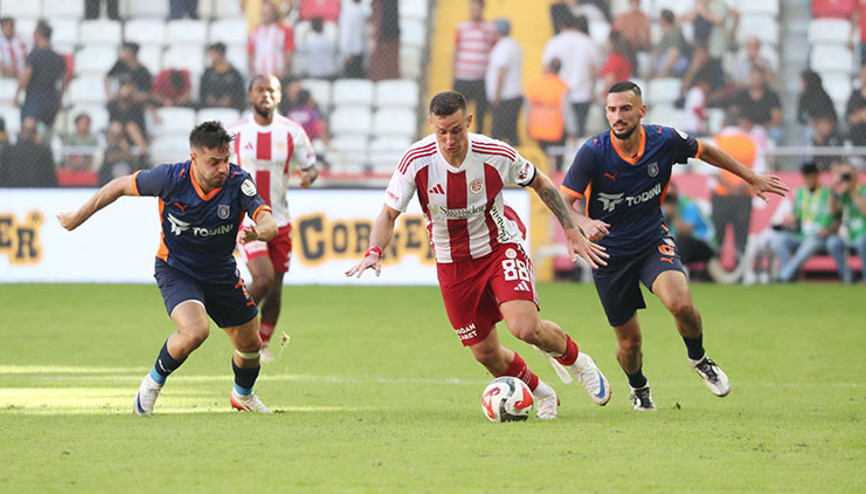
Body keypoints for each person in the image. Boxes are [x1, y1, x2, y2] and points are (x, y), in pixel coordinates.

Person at [346, 91, 613, 419]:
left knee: (524, 328)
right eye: (441, 132)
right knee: (486, 354)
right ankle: (542, 393)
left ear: (468, 122)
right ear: (431, 125)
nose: (449, 140)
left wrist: (571, 229)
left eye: (456, 130)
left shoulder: (494, 153)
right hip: (452, 264)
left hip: (499, 248)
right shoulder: (415, 160)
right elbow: (388, 215)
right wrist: (374, 251)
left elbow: (541, 182)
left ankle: (578, 361)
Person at [559, 81, 788, 410]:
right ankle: (639, 387)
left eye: (625, 109)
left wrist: (749, 176)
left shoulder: (663, 140)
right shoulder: (593, 152)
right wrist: (583, 222)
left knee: (681, 304)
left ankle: (700, 359)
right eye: (612, 110)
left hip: (652, 240)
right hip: (609, 254)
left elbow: (705, 151)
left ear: (642, 111)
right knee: (630, 344)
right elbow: (564, 202)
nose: (618, 116)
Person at [57, 121, 277, 415]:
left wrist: (258, 232)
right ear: (194, 158)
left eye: (226, 160)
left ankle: (243, 396)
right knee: (195, 331)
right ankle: (151, 385)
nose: (222, 168)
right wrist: (77, 217)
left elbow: (269, 223)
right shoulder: (170, 178)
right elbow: (120, 185)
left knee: (251, 345)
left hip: (221, 273)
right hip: (177, 269)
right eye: (214, 162)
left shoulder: (238, 182)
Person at [228, 75, 318, 362]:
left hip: (280, 220)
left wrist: (308, 177)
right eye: (260, 90)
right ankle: (234, 321)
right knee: (263, 279)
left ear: (279, 97)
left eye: (272, 90)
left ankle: (262, 344)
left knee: (276, 287)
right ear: (250, 95)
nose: (266, 95)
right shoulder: (235, 133)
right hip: (248, 221)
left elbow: (311, 168)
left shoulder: (293, 132)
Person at [770, 162, 843, 282]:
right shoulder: (800, 193)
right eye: (806, 177)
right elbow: (797, 215)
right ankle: (789, 272)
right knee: (778, 241)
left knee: (809, 245)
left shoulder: (828, 193)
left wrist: (829, 229)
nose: (809, 179)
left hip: (819, 237)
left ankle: (785, 276)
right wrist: (793, 218)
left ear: (817, 176)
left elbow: (837, 216)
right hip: (801, 234)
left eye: (811, 176)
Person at [542, 14, 601, 139]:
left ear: (562, 26)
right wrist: (592, 91)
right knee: (579, 133)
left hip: (558, 95)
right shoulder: (588, 42)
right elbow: (594, 71)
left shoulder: (554, 42)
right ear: (578, 25)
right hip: (582, 94)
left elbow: (546, 69)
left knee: (558, 135)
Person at [14, 21, 69, 129]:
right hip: (51, 101)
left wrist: (17, 94)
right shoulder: (58, 57)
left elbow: (26, 75)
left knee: (29, 130)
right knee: (46, 133)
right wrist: (60, 96)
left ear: (38, 35)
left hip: (34, 100)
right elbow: (65, 78)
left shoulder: (34, 55)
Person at [452, 0, 496, 134]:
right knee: (460, 112)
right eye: (472, 8)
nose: (474, 11)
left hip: (481, 78)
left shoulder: (490, 28)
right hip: (463, 76)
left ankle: (478, 141)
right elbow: (456, 51)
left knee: (481, 113)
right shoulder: (462, 27)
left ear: (482, 9)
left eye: (476, 8)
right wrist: (453, 74)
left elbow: (494, 50)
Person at [661, 181, 718, 271]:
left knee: (681, 239)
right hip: (683, 243)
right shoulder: (663, 207)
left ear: (676, 192)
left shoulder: (688, 204)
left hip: (705, 243)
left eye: (670, 196)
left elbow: (687, 231)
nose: (668, 200)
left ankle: (681, 269)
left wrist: (673, 215)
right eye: (666, 196)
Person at [526, 58, 568, 170]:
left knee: (542, 158)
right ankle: (556, 174)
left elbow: (527, 108)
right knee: (557, 157)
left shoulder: (534, 84)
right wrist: (573, 131)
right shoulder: (562, 86)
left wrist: (528, 127)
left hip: (537, 129)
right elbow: (566, 112)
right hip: (556, 132)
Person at [486, 18, 522, 146]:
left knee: (497, 134)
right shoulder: (513, 44)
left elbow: (502, 71)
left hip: (505, 97)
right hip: (512, 95)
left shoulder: (503, 47)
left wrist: (496, 94)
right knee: (511, 132)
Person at [828, 163, 866, 283]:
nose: (846, 178)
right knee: (832, 243)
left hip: (862, 234)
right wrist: (833, 187)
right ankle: (848, 277)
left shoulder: (863, 189)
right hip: (848, 235)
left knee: (861, 242)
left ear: (856, 175)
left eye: (848, 175)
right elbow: (832, 211)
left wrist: (853, 192)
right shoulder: (843, 194)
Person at [0, 120, 57, 188]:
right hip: (38, 193)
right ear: (36, 133)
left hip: (14, 193)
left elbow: (2, 176)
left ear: (21, 132)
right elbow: (51, 180)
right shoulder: (44, 152)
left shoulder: (8, 151)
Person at [248, 1, 295, 80]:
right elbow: (251, 54)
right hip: (260, 78)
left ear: (274, 12)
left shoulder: (284, 31)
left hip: (278, 77)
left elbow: (289, 52)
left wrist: (284, 72)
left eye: (267, 12)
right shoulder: (255, 32)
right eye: (263, 12)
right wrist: (253, 73)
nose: (265, 15)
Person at [108, 77, 150, 155]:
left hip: (134, 134)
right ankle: (112, 153)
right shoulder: (113, 105)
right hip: (119, 134)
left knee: (131, 126)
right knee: (115, 126)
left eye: (128, 88)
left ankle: (144, 153)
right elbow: (113, 121)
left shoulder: (137, 105)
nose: (126, 91)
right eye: (124, 88)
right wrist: (122, 139)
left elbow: (140, 124)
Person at [200, 43, 247, 111]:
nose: (211, 56)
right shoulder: (207, 72)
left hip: (231, 107)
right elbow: (202, 91)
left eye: (214, 53)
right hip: (209, 106)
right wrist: (208, 98)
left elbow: (240, 92)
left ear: (221, 54)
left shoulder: (234, 73)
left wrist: (231, 99)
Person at [649, 9, 690, 79]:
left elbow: (674, 54)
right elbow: (657, 52)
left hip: (679, 62)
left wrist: (662, 74)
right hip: (666, 62)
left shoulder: (675, 33)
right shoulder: (664, 35)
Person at [366, 0, 400, 81]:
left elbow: (378, 19)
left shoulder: (380, 5)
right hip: (388, 38)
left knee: (381, 73)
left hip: (384, 41)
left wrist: (375, 39)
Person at [338, 0, 367, 78]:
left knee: (351, 80)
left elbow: (346, 33)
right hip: (357, 51)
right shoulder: (361, 12)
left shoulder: (349, 12)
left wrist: (346, 52)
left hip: (352, 53)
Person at [845, 65, 866, 147]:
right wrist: (861, 116)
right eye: (863, 75)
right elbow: (849, 118)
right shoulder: (855, 95)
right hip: (857, 139)